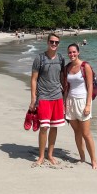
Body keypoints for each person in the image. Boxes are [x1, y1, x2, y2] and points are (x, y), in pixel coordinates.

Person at [30, 33, 66, 165]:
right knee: (44, 127)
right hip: (44, 96)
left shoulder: (61, 58)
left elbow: (62, 78)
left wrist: (65, 96)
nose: (54, 44)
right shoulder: (39, 58)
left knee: (54, 127)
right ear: (47, 42)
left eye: (56, 42)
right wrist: (33, 98)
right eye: (52, 41)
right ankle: (41, 156)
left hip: (57, 96)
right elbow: (33, 79)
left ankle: (50, 155)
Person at [64, 43, 97, 169]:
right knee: (77, 132)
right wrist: (64, 103)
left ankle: (94, 160)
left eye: (74, 52)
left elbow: (90, 86)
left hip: (83, 101)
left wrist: (88, 105)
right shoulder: (67, 67)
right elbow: (66, 87)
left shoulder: (85, 66)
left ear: (78, 52)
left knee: (86, 133)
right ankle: (82, 157)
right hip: (70, 101)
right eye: (70, 52)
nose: (72, 54)